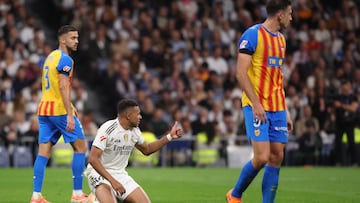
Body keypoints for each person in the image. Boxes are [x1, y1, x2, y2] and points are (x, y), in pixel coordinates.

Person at [226, 1, 293, 203]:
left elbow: (277, 78)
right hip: (256, 105)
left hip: (277, 106)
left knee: (276, 156)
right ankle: (235, 195)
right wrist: (256, 103)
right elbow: (240, 73)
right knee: (262, 157)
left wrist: (286, 109)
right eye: (290, 13)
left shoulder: (281, 40)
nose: (292, 17)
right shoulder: (252, 35)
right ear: (280, 15)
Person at [30, 25, 88, 203]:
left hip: (44, 110)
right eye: (73, 38)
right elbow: (63, 86)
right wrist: (69, 113)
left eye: (77, 38)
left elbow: (54, 86)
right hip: (59, 111)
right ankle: (77, 195)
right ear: (62, 40)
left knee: (43, 153)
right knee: (81, 148)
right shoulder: (66, 59)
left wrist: (70, 105)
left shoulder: (50, 57)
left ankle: (36, 196)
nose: (76, 41)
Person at [85, 99, 183, 203]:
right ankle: (92, 200)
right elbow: (93, 159)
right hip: (98, 174)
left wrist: (169, 137)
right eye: (138, 114)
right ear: (128, 116)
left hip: (119, 174)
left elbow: (147, 149)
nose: (140, 117)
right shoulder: (108, 129)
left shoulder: (135, 131)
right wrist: (113, 182)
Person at [333, 80, 359, 166]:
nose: (345, 87)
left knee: (352, 143)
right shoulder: (338, 97)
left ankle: (355, 162)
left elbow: (353, 109)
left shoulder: (353, 97)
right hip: (340, 123)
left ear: (349, 86)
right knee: (338, 143)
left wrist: (341, 105)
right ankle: (338, 162)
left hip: (350, 123)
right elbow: (334, 107)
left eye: (347, 85)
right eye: (344, 85)